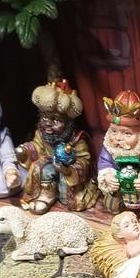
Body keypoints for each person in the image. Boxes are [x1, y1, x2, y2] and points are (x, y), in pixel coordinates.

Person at [17, 79, 98, 213]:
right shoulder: (42, 133)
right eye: (45, 118)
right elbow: (37, 146)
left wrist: (67, 170)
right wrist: (25, 151)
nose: (48, 123)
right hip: (49, 168)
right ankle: (46, 196)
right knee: (42, 167)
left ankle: (64, 197)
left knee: (67, 195)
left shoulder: (77, 140)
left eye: (56, 120)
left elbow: (84, 161)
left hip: (68, 174)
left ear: (68, 124)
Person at [97, 90, 140, 216]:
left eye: (127, 133)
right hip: (120, 189)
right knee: (112, 205)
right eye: (114, 131)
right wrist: (108, 176)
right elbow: (104, 162)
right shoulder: (109, 147)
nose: (118, 138)